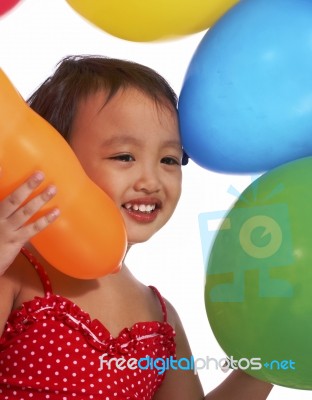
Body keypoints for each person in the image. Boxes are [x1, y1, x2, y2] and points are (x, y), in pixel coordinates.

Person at [0, 55, 273, 399]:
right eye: (125, 156)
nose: (151, 180)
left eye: (170, 160)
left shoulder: (159, 318)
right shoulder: (17, 271)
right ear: (57, 158)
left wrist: (265, 365)